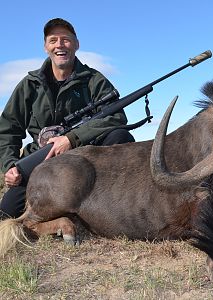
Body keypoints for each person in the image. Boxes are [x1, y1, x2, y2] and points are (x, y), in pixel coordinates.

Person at [0, 18, 134, 218]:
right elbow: (8, 129)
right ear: (46, 46)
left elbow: (116, 117)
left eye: (66, 40)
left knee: (120, 136)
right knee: (6, 214)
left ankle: (113, 206)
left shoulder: (94, 80)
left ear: (76, 44)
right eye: (53, 40)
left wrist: (72, 139)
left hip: (85, 158)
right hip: (42, 159)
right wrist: (10, 166)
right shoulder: (29, 85)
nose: (60, 45)